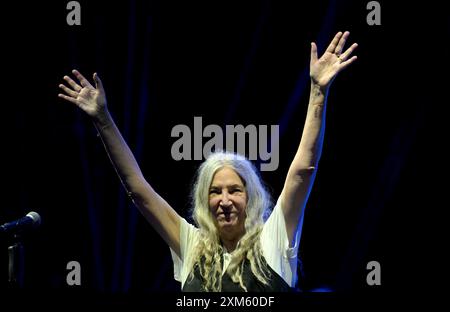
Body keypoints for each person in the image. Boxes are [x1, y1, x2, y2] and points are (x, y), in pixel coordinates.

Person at [58, 31, 358, 292]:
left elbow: (301, 173)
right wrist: (103, 119)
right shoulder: (192, 246)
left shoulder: (273, 240)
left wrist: (318, 92)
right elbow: (138, 190)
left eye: (234, 190)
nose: (224, 200)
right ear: (204, 200)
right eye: (215, 192)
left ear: (250, 198)